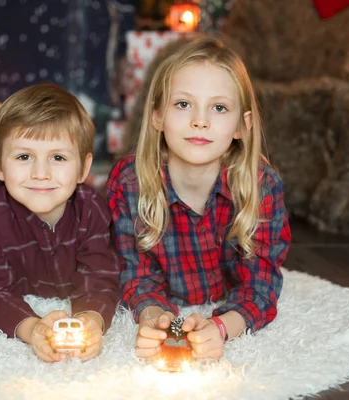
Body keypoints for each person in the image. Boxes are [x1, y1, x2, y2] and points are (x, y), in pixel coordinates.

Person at [106, 36, 291, 362]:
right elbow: (134, 275)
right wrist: (154, 321)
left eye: (219, 108)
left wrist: (221, 327)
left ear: (241, 126)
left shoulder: (261, 185)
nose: (200, 121)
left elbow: (261, 287)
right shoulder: (130, 183)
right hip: (162, 301)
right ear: (157, 116)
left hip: (225, 300)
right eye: (183, 104)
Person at [0, 83, 120, 363]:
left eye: (58, 157)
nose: (41, 173)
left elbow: (100, 275)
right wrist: (31, 328)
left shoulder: (92, 210)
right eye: (24, 156)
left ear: (84, 169)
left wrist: (92, 318)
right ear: (1, 168)